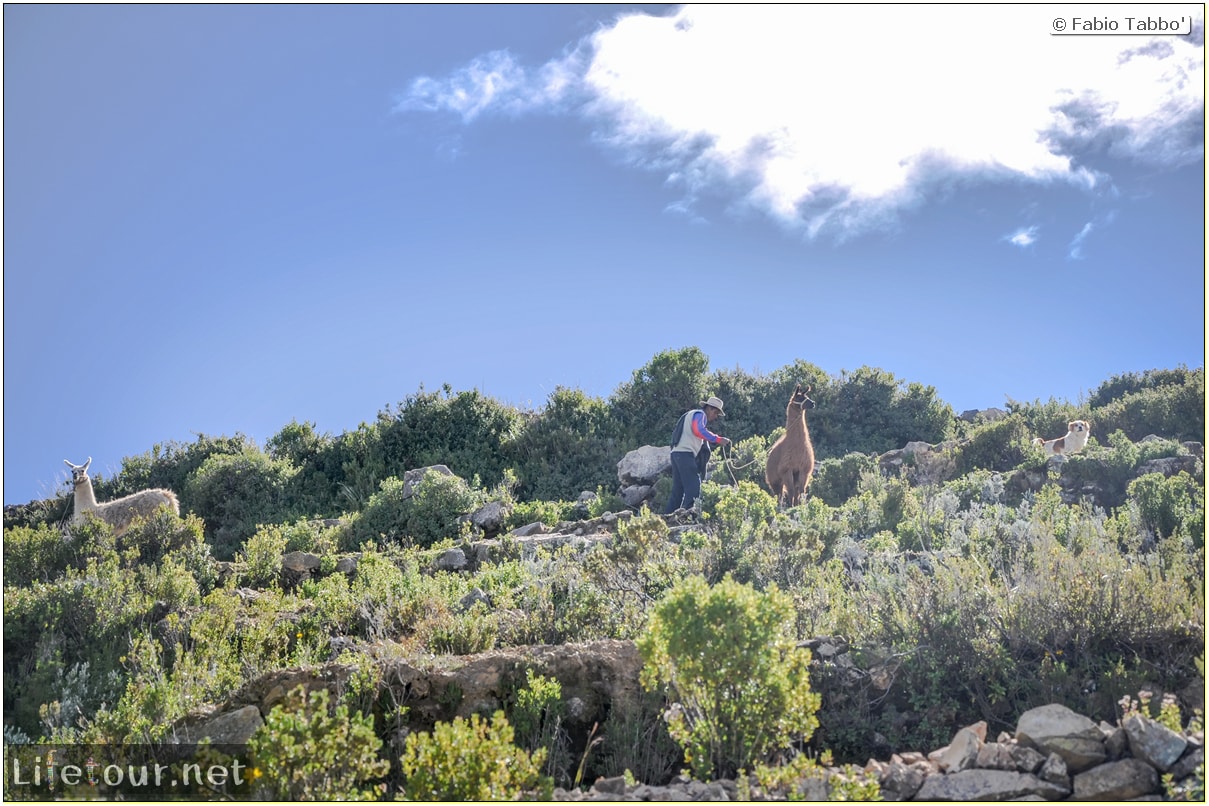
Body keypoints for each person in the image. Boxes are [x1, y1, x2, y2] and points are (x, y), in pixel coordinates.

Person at [664, 396, 731, 514]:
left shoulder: (691, 415)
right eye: (715, 413)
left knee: (678, 491)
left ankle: (665, 518)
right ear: (709, 408)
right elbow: (698, 430)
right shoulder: (700, 415)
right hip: (685, 454)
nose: (715, 417)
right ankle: (687, 516)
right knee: (694, 487)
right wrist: (718, 439)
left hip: (676, 454)